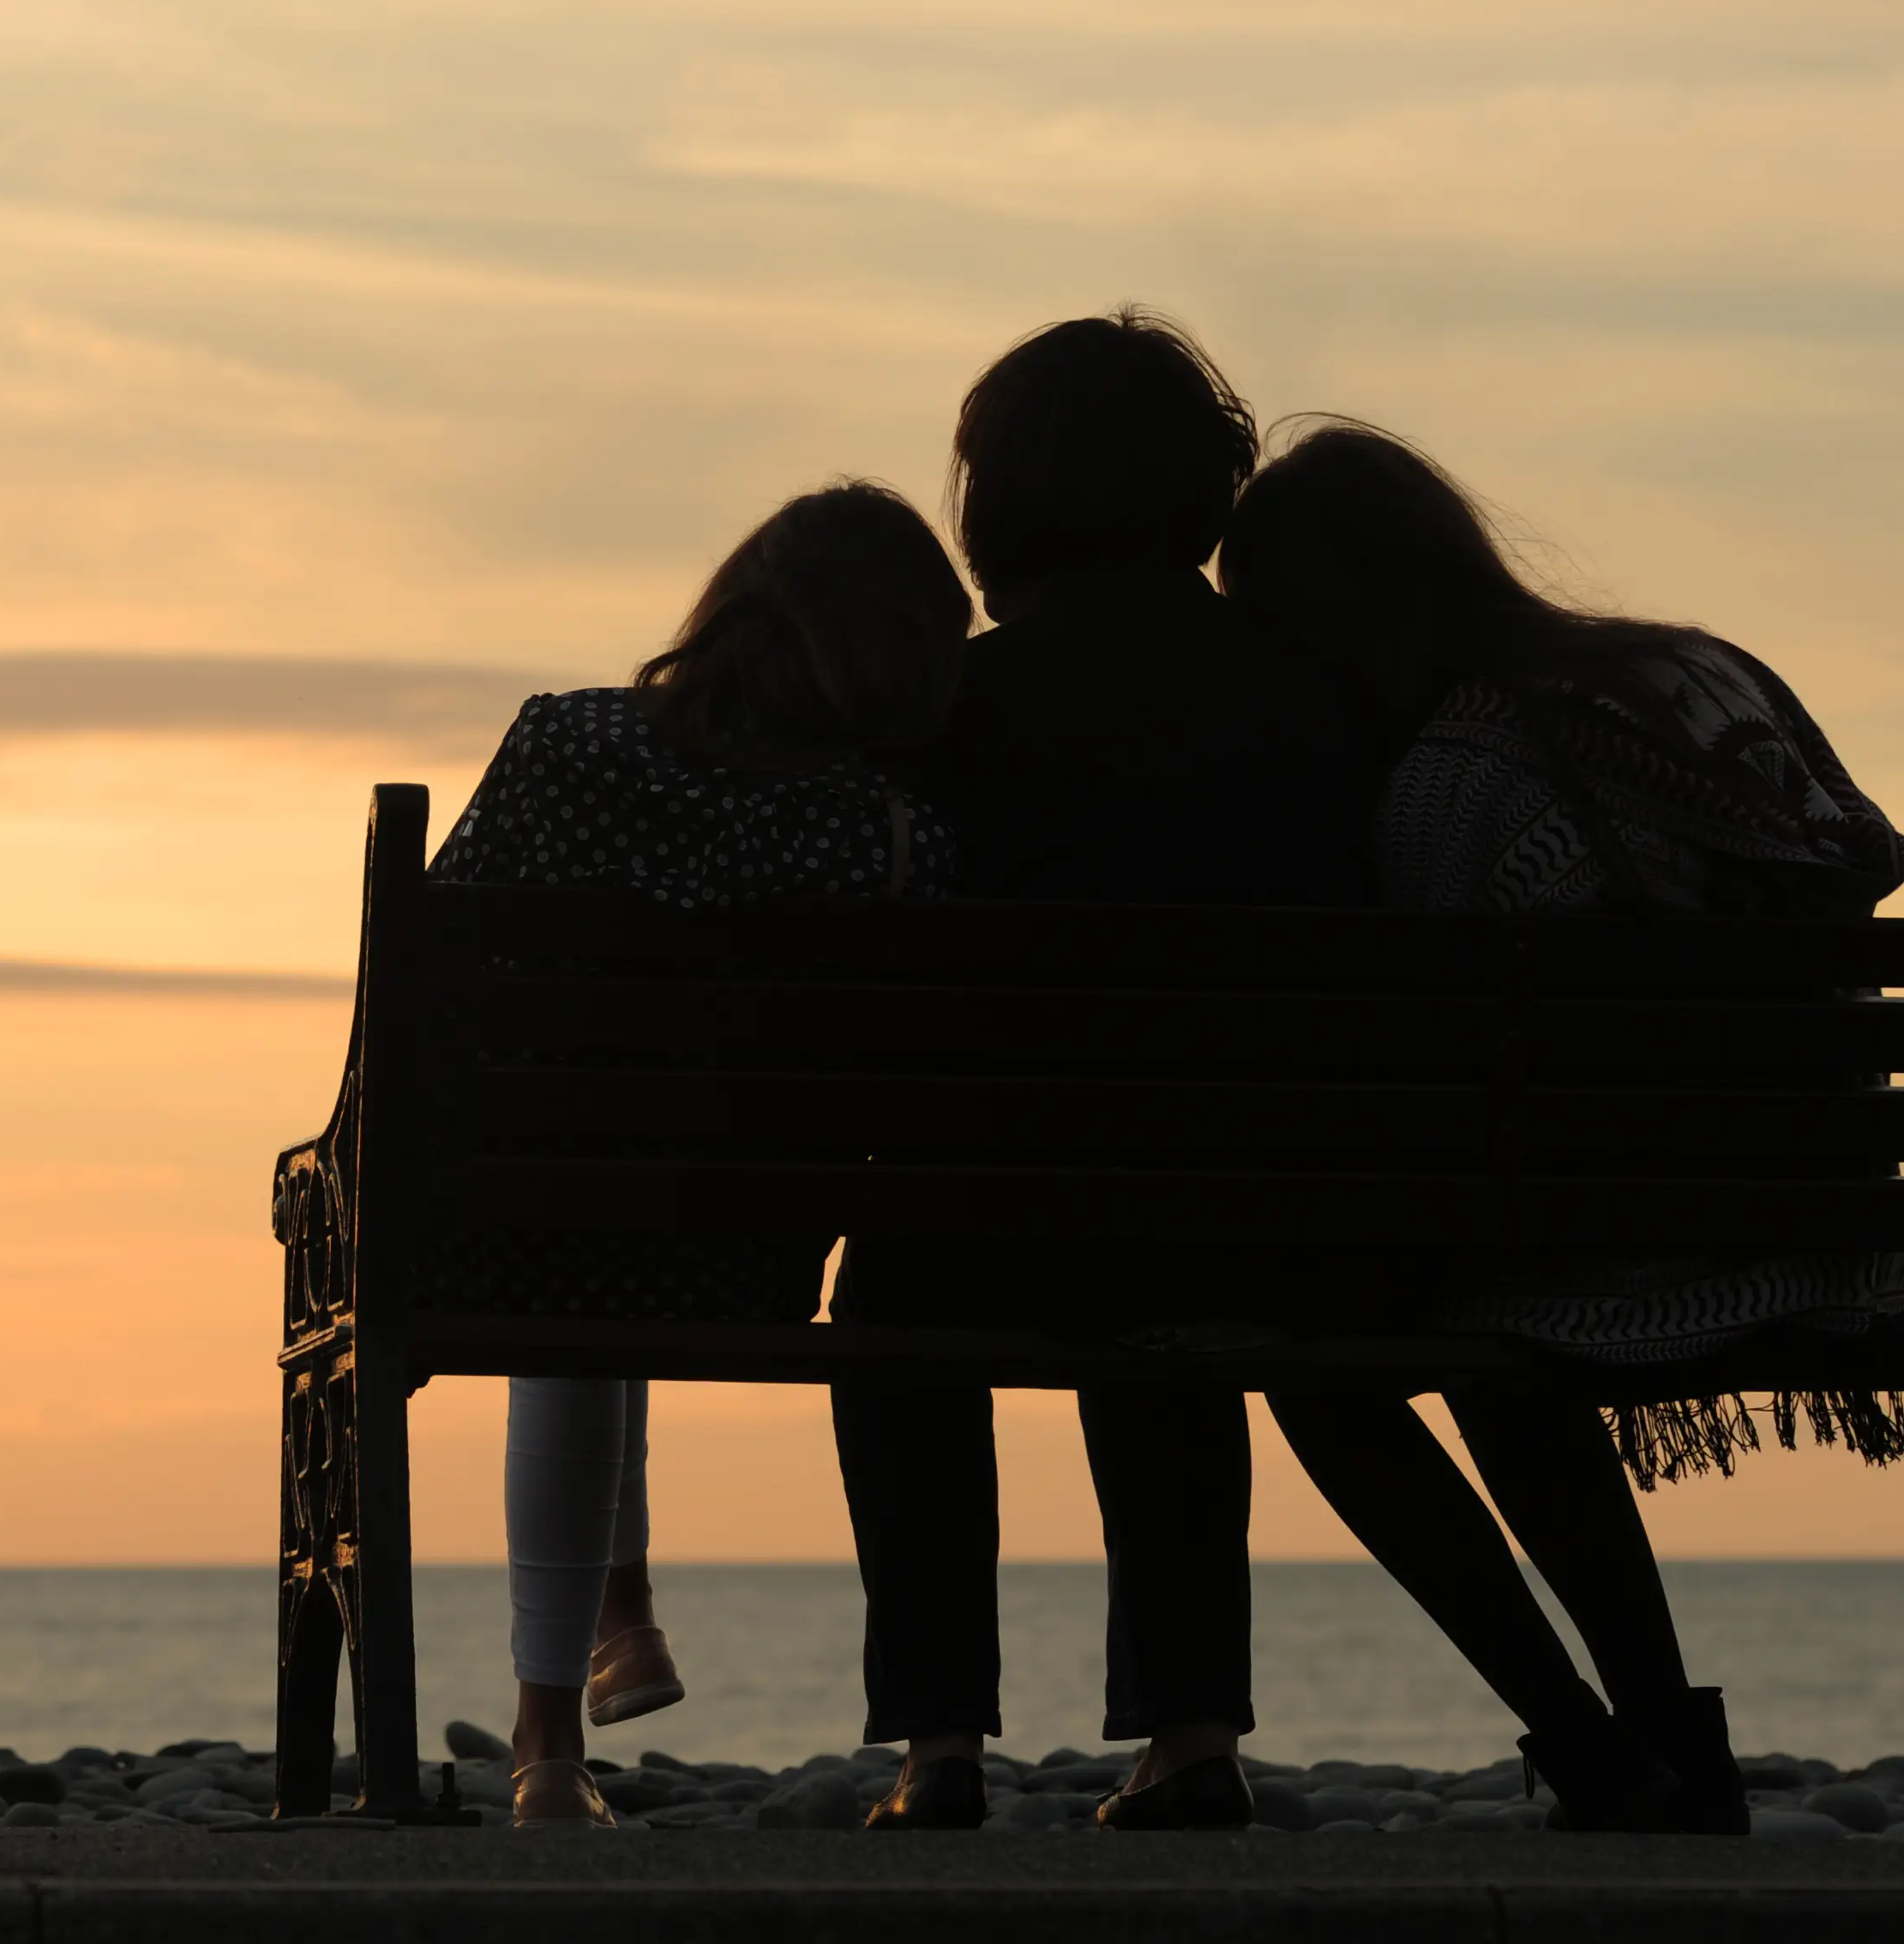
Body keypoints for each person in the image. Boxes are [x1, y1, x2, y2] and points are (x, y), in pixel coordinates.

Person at [1218, 419, 1904, 1831]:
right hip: (1833, 1224)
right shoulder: (1702, 671)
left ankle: (1593, 1743)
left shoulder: (1459, 773)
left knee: (1330, 1366)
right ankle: (1663, 1742)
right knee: (1498, 1317)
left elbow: (1444, 1086)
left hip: (1638, 1253)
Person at [828, 310, 1384, 1832]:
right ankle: (1190, 1733)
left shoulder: (957, 713)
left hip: (978, 1219)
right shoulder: (1316, 710)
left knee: (894, 1303)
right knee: (1170, 1299)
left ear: (999, 499)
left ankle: (939, 1745)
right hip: (1241, 1210)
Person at [427, 480, 972, 1828]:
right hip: (749, 1257)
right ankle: (623, 1621)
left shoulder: (564, 749)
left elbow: (432, 985)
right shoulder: (891, 833)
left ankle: (547, 1739)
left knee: (574, 1238)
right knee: (614, 1228)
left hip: (528, 1227)